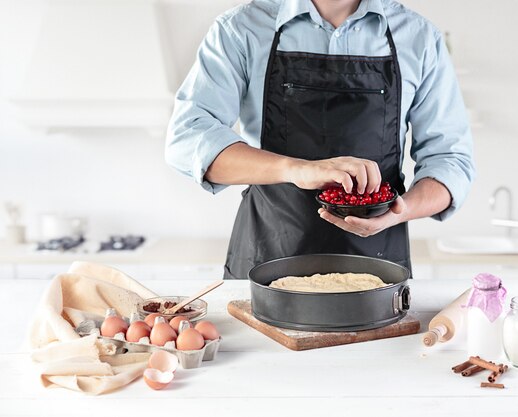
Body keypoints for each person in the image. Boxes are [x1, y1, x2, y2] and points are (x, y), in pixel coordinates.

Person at [165, 0, 475, 279]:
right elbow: (187, 138)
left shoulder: (419, 37)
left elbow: (451, 161)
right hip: (266, 263)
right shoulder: (241, 30)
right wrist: (296, 169)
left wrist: (403, 210)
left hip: (377, 271)